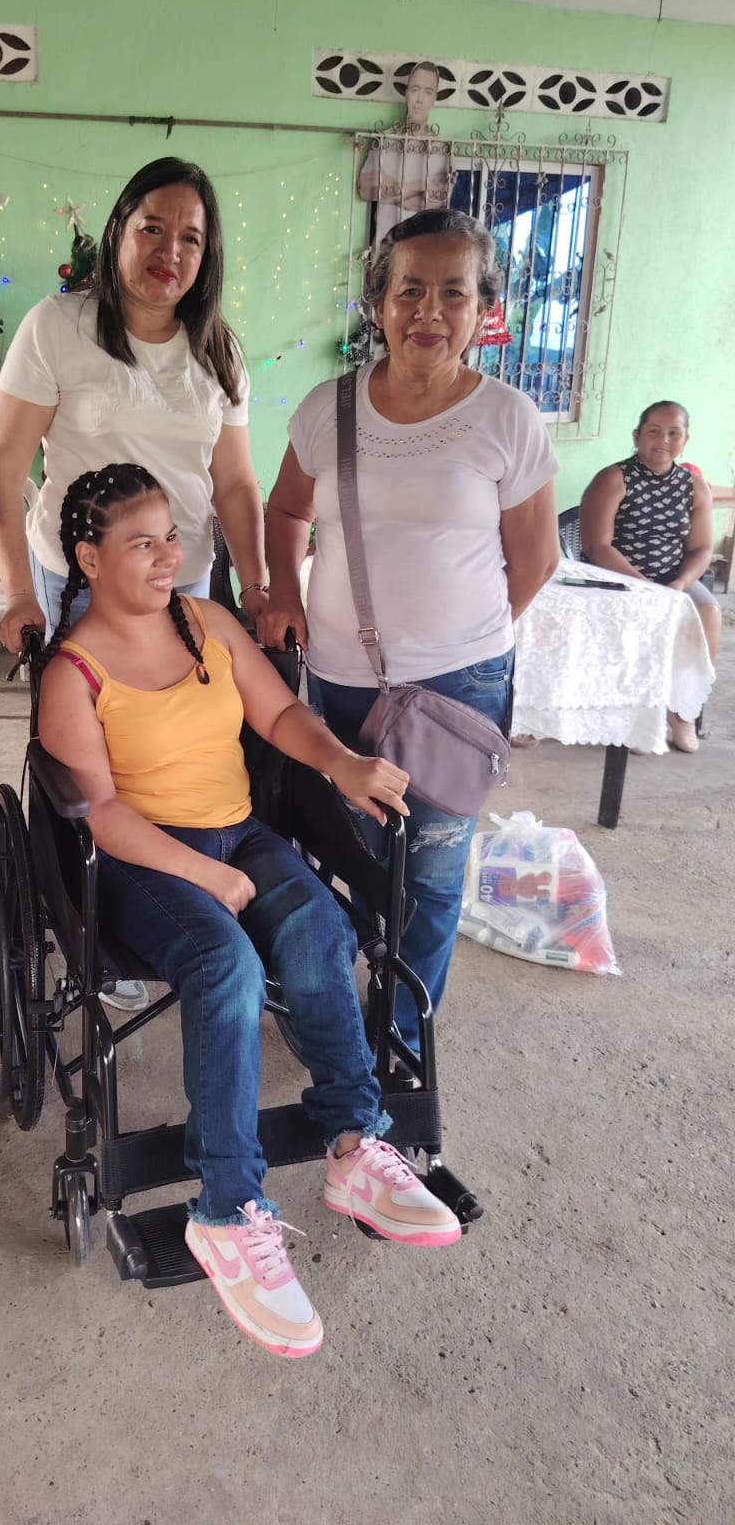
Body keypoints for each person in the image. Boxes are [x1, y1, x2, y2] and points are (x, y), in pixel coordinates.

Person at [39, 463, 463, 1361]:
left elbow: (277, 718)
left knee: (321, 929)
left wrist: (341, 761)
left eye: (171, 537)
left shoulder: (207, 622)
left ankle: (354, 1142)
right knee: (224, 963)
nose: (167, 556)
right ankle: (227, 1211)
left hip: (239, 829)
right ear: (89, 557)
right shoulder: (72, 672)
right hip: (144, 857)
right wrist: (203, 872)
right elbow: (101, 813)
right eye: (141, 543)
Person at [260, 208, 560, 1055]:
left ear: (483, 309)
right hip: (342, 678)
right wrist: (281, 588)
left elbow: (535, 559)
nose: (429, 311)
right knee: (360, 848)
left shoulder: (506, 417)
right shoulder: (328, 409)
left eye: (453, 293)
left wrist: (460, 639)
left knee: (429, 865)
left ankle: (397, 1037)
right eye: (410, 290)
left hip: (458, 684)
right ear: (378, 304)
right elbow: (285, 510)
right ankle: (363, 980)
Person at [0, 155, 269, 652]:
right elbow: (3, 468)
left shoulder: (219, 350)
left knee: (181, 705)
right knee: (78, 704)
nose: (169, 251)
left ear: (206, 256)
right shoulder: (57, 326)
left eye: (190, 239)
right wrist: (18, 594)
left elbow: (235, 482)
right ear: (117, 231)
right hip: (78, 586)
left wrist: (256, 587)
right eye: (152, 228)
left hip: (183, 585)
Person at [580, 400, 719, 753]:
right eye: (654, 431)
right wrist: (644, 586)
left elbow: (702, 548)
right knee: (647, 617)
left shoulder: (694, 486)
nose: (663, 440)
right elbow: (597, 545)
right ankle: (641, 714)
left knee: (707, 612)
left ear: (685, 439)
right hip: (618, 577)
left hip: (673, 579)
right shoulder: (614, 478)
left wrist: (679, 584)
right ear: (637, 435)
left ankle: (681, 711)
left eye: (674, 433)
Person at [357, 61, 455, 244]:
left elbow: (438, 202)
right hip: (387, 245)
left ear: (434, 98)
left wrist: (392, 188)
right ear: (406, 93)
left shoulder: (441, 148)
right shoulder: (385, 140)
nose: (420, 99)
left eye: (428, 92)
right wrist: (419, 188)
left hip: (423, 246)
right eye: (415, 89)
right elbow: (365, 189)